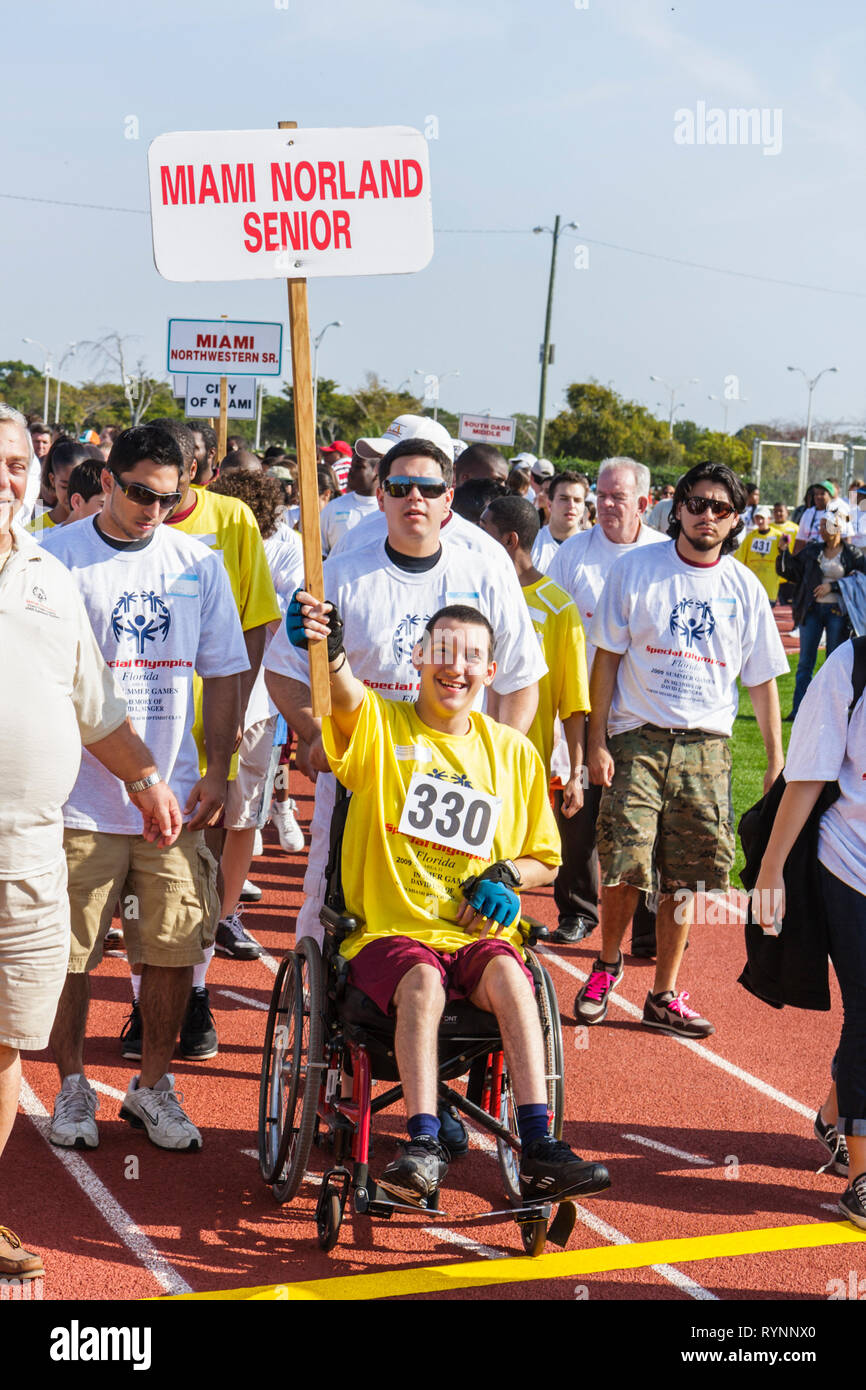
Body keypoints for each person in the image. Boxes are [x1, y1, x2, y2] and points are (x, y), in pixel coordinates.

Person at [287, 594, 610, 1208]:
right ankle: (423, 1144)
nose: (454, 667)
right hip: (389, 933)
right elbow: (346, 694)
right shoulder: (383, 725)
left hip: (472, 936)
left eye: (471, 657)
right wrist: (326, 648)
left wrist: (505, 874)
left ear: (491, 672)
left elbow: (547, 857)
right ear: (417, 658)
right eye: (441, 651)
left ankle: (539, 1145)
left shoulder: (514, 752)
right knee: (421, 984)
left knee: (515, 978)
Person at [0, 410, 184, 1280]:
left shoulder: (45, 574)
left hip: (29, 855)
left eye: (13, 463)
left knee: (7, 1041)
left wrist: (147, 780)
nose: (5, 477)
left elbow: (96, 705)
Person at [41, 425, 249, 1147]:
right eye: (138, 493)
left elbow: (223, 670)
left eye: (169, 496)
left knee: (172, 946)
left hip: (176, 800)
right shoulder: (56, 559)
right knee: (70, 952)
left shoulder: (198, 563)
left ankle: (153, 1085)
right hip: (78, 798)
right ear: (105, 481)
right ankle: (71, 1085)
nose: (152, 509)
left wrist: (218, 767)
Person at [576, 460, 788, 1036]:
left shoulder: (743, 587)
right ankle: (607, 965)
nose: (707, 516)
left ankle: (663, 993)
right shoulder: (637, 570)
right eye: (698, 503)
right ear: (678, 509)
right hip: (637, 737)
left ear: (735, 519)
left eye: (721, 508)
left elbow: (763, 679)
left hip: (708, 747)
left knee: (688, 878)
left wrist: (775, 759)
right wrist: (596, 742)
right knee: (623, 861)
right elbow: (606, 660)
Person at [752, 641, 866, 1228]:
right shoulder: (851, 665)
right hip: (851, 866)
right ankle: (862, 1179)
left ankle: (833, 1114)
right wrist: (772, 869)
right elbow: (808, 775)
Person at [547, 457, 667, 945]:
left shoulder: (664, 554)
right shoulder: (574, 553)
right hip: (583, 704)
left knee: (650, 823)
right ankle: (577, 909)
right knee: (578, 814)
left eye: (617, 496)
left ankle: (648, 926)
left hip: (646, 709)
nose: (605, 504)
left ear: (643, 502)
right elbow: (550, 618)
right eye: (601, 494)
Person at [481, 493, 590, 862]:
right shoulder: (474, 589)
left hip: (524, 763)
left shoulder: (559, 607)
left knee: (508, 862)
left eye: (484, 532)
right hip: (462, 750)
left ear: (509, 541)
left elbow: (573, 703)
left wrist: (576, 774)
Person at [777, 500, 866, 719]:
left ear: (837, 528)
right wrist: (783, 553)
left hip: (838, 613)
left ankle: (829, 711)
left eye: (826, 524)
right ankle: (798, 710)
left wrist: (833, 586)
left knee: (833, 663)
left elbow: (861, 581)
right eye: (821, 524)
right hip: (812, 611)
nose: (821, 529)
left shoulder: (853, 554)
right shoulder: (812, 550)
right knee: (805, 663)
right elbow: (792, 573)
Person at [25, 439, 92, 539]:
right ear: (52, 480)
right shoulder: (35, 531)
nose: (72, 495)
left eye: (80, 485)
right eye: (65, 487)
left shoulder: (95, 527)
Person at [319, 449, 380, 556]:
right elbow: (320, 551)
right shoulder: (334, 507)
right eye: (352, 466)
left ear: (376, 473)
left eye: (359, 467)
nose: (351, 471)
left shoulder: (389, 510)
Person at [532, 471, 589, 572]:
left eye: (577, 500)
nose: (571, 505)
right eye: (564, 499)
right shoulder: (532, 543)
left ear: (584, 507)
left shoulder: (592, 548)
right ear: (550, 505)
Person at [734, 504, 785, 603]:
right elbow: (740, 555)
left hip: (770, 580)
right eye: (757, 518)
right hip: (753, 578)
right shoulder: (751, 536)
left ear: (769, 519)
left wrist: (784, 546)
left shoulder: (778, 535)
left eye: (762, 518)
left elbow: (784, 554)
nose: (760, 521)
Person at [794, 481, 838, 552]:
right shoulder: (808, 513)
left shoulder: (836, 513)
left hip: (829, 555)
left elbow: (845, 538)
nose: (818, 497)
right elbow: (800, 539)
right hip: (810, 554)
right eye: (816, 494)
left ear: (830, 496)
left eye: (822, 494)